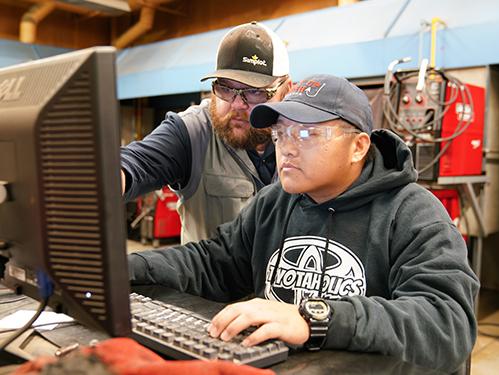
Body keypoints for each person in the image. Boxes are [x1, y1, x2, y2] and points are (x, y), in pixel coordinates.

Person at [128, 74, 479, 372]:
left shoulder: (413, 213)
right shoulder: (275, 201)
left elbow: (448, 322)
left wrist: (316, 318)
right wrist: (123, 268)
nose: (287, 149)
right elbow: (212, 263)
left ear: (358, 147)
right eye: (281, 135)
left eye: (307, 135)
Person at [121, 21, 292, 244]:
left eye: (254, 92)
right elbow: (135, 163)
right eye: (225, 88)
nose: (236, 105)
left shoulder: (304, 136)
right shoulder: (192, 132)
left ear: (286, 90)